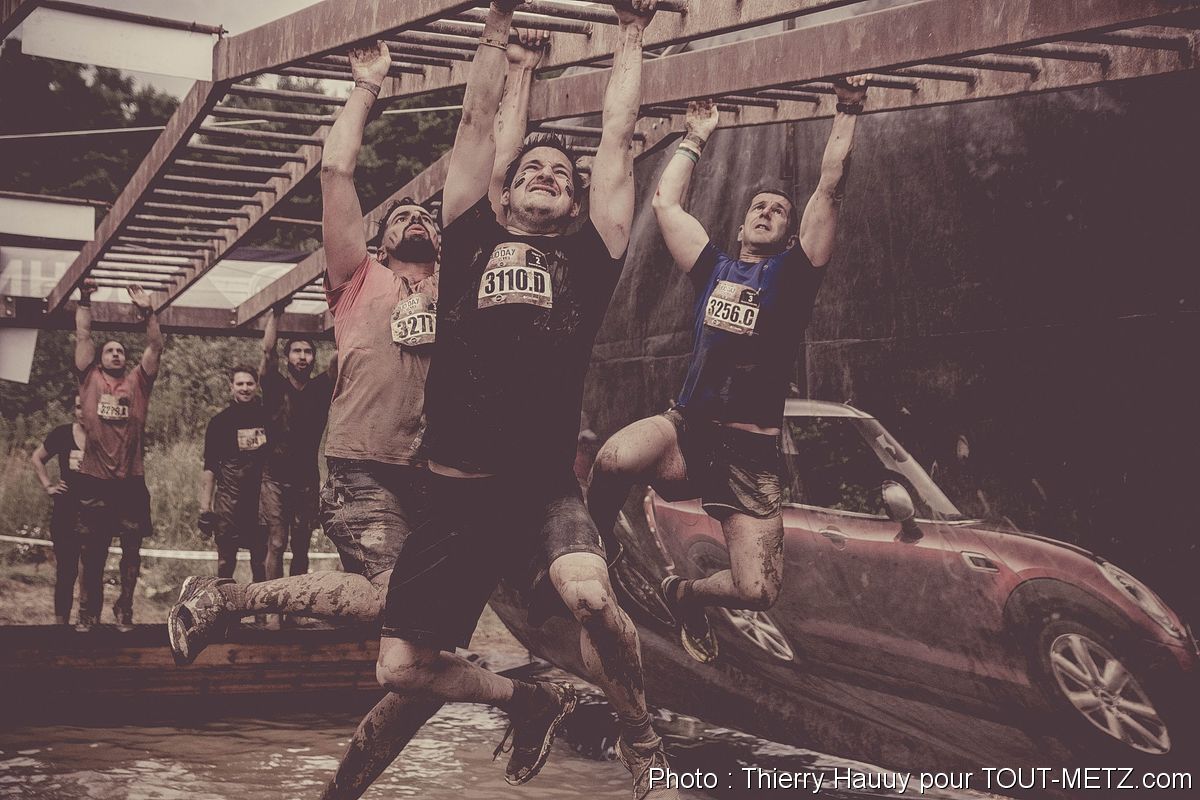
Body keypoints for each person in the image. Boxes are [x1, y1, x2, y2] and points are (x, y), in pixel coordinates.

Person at [363, 2, 677, 798]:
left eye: (561, 176)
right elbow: (477, 128)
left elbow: (616, 142)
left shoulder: (590, 258)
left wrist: (630, 33)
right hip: (454, 498)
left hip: (541, 492)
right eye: (532, 166)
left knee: (590, 595)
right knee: (400, 668)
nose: (547, 174)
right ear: (505, 195)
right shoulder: (469, 237)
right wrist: (496, 24)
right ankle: (528, 699)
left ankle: (641, 734)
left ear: (573, 205)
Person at [587, 80, 869, 664]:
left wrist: (847, 109)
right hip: (686, 431)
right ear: (741, 228)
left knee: (757, 589)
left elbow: (830, 189)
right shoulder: (713, 267)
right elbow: (666, 206)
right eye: (757, 207)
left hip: (749, 455)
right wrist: (695, 137)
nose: (766, 212)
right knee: (612, 458)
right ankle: (592, 555)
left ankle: (685, 595)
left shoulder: (795, 275)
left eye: (778, 211)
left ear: (790, 234)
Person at [73, 279, 162, 632]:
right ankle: (88, 612)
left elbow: (155, 346)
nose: (115, 354)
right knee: (92, 553)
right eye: (109, 350)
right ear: (100, 357)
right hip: (94, 479)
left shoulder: (138, 382)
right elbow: (83, 336)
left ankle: (124, 609)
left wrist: (149, 312)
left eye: (120, 351)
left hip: (131, 481)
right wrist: (84, 298)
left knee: (131, 552)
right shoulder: (89, 378)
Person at [257, 304, 335, 600]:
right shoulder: (274, 385)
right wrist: (276, 314)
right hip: (274, 478)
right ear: (287, 356)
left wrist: (344, 312)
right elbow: (267, 351)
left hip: (306, 480)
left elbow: (341, 356)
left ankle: (296, 607)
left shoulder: (321, 388)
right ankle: (272, 608)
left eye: (308, 352)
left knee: (301, 546)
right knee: (277, 542)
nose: (302, 356)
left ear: (314, 357)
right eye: (297, 351)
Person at [197, 365, 270, 582]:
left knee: (260, 564)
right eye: (240, 384)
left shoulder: (268, 418)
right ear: (231, 387)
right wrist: (205, 508)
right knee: (225, 562)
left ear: (257, 386)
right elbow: (210, 466)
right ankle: (226, 603)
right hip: (229, 500)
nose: (245, 388)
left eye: (249, 383)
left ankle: (261, 605)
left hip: (261, 499)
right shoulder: (219, 422)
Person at [29, 395, 87, 626]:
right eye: (79, 406)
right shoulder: (62, 434)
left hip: (94, 512)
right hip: (66, 512)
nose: (82, 411)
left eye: (87, 406)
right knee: (66, 571)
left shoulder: (103, 437)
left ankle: (87, 624)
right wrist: (48, 486)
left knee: (89, 573)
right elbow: (37, 457)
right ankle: (60, 627)